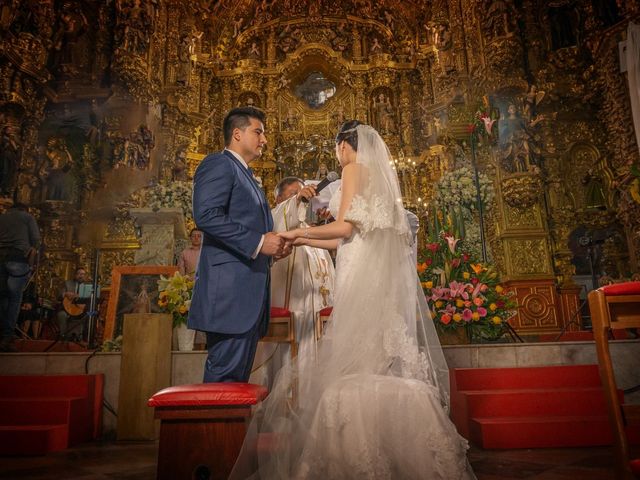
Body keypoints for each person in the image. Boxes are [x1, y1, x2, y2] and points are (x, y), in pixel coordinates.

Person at [230, 121, 475, 479]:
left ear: (344, 145)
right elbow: (346, 238)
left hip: (359, 271)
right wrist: (302, 240)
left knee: (354, 361)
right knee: (371, 357)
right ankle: (384, 447)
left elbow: (343, 229)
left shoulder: (353, 169)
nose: (336, 153)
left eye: (336, 146)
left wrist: (299, 230)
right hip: (361, 264)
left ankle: (360, 452)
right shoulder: (375, 176)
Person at [188, 106, 286, 383]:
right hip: (230, 294)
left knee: (236, 385)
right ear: (237, 133)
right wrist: (258, 242)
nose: (264, 139)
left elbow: (252, 229)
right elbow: (206, 215)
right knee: (223, 381)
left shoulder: (248, 178)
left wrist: (273, 248)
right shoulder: (219, 164)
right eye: (259, 132)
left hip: (247, 295)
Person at [268, 177, 335, 372]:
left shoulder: (308, 229)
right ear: (279, 199)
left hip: (319, 302)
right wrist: (297, 200)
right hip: (297, 305)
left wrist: (327, 220)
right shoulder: (274, 218)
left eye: (302, 194)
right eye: (292, 194)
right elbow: (282, 218)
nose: (301, 198)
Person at [0, 202, 40, 352]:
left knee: (2, 297)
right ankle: (8, 336)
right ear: (26, 209)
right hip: (18, 259)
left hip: (1, 259)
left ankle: (2, 334)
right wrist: (32, 259)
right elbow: (36, 240)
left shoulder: (2, 217)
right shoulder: (27, 217)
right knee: (14, 298)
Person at [56, 266, 91, 341]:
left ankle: (83, 338)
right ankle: (63, 336)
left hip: (81, 310)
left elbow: (90, 299)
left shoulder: (88, 286)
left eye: (82, 274)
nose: (80, 276)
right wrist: (65, 294)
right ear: (75, 275)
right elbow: (58, 296)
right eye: (78, 274)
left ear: (85, 276)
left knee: (91, 315)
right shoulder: (67, 283)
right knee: (61, 315)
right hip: (67, 309)